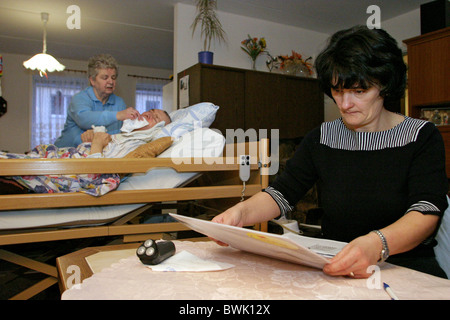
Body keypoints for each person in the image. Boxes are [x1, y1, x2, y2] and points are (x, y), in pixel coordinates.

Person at [211, 25, 449, 279]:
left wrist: (376, 243)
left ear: (386, 86)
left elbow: (426, 211)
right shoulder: (321, 138)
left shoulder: (421, 136)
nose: (345, 104)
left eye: (359, 91)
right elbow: (281, 193)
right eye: (337, 91)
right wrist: (240, 213)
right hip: (335, 263)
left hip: (405, 267)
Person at [54, 54, 141, 148]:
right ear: (92, 80)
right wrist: (118, 115)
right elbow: (84, 119)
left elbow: (119, 134)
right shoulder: (80, 98)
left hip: (96, 155)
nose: (111, 82)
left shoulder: (119, 103)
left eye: (113, 77)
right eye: (105, 77)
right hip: (64, 154)